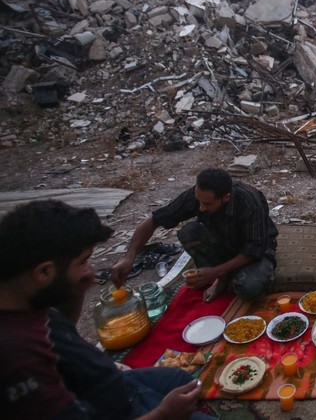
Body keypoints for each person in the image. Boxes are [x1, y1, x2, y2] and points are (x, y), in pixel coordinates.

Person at [0, 200, 213, 419]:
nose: (90, 272)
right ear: (44, 273)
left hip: (118, 385)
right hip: (123, 411)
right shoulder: (17, 359)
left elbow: (62, 334)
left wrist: (76, 290)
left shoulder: (26, 300)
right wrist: (163, 414)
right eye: (83, 261)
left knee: (182, 380)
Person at [111, 168, 278, 302]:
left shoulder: (248, 201)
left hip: (252, 249)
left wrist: (215, 272)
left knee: (250, 288)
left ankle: (221, 276)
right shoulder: (198, 197)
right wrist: (129, 256)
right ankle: (221, 277)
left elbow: (255, 248)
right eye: (199, 201)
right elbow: (154, 220)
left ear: (226, 197)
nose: (201, 208)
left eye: (207, 204)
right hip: (221, 242)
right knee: (189, 232)